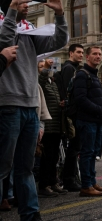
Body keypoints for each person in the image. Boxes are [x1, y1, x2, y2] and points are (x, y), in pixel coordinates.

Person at [0, 0, 67, 221]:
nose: (28, 5)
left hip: (29, 106)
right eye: (23, 1)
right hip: (7, 105)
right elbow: (4, 42)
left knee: (25, 167)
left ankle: (30, 216)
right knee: (2, 166)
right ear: (10, 5)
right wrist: (10, 12)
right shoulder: (5, 28)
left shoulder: (29, 34)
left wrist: (60, 14)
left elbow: (59, 41)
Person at [71, 46, 102, 198]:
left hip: (96, 120)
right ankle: (86, 185)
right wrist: (98, 109)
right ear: (87, 57)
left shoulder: (93, 75)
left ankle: (92, 182)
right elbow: (80, 99)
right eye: (94, 54)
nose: (98, 56)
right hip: (87, 120)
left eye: (100, 54)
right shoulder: (82, 74)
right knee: (87, 153)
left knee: (93, 153)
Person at [57, 43, 85, 192]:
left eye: (82, 52)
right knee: (73, 148)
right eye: (78, 52)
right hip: (72, 113)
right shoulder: (69, 69)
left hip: (73, 111)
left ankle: (71, 178)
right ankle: (69, 179)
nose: (81, 55)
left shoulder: (74, 68)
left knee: (75, 147)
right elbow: (68, 91)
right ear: (70, 53)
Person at [37, 66, 68, 197]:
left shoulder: (53, 83)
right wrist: (45, 70)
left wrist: (61, 103)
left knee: (55, 156)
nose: (47, 70)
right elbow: (42, 79)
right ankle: (44, 185)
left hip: (56, 125)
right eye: (42, 67)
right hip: (48, 125)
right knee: (47, 157)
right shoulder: (41, 82)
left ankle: (53, 182)